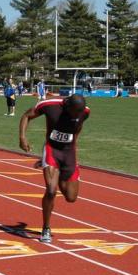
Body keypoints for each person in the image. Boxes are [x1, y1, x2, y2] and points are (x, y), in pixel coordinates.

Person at [19, 94, 90, 243]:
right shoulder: (50, 105)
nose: (78, 114)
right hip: (52, 150)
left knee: (71, 197)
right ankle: (46, 228)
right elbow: (26, 115)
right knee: (51, 190)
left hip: (69, 154)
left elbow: (78, 129)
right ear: (67, 106)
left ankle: (57, 172)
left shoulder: (85, 112)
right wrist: (22, 138)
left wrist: (73, 146)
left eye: (80, 112)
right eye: (75, 111)